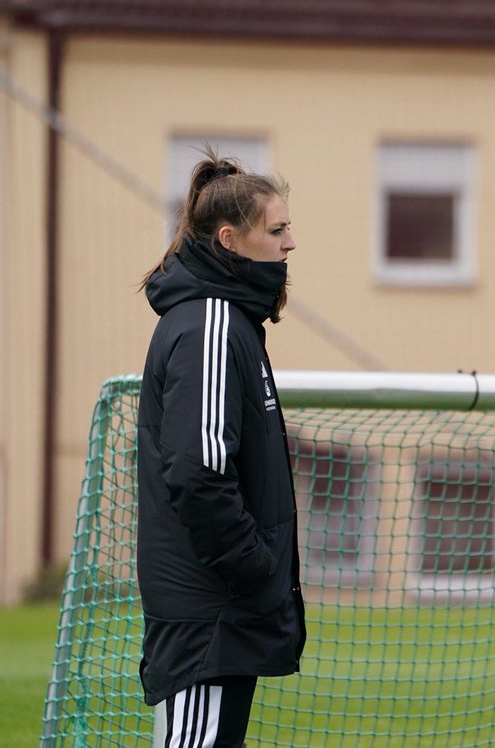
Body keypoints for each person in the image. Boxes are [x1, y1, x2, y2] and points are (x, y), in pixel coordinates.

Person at [136, 148, 305, 748]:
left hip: (223, 615)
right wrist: (257, 569)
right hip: (209, 618)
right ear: (231, 240)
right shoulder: (209, 321)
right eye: (278, 230)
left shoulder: (235, 320)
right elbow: (198, 472)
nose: (290, 245)